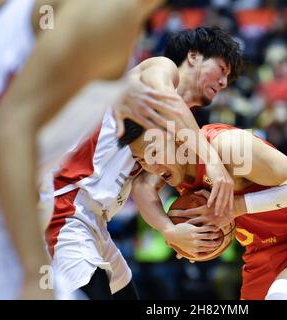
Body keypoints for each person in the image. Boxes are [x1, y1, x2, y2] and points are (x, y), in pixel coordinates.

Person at [0, 0, 206, 299]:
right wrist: (33, 273)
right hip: (3, 198)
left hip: (42, 203)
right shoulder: (110, 22)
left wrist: (116, 88)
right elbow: (7, 129)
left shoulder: (118, 33)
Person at [45, 27, 244, 299]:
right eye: (222, 69)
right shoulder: (159, 70)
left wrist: (170, 230)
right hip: (64, 205)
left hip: (95, 220)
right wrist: (213, 162)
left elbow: (144, 187)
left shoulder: (183, 128)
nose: (224, 82)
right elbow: (167, 99)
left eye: (228, 79)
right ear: (194, 56)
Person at [127, 122, 287, 300]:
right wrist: (170, 232)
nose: (151, 166)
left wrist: (236, 207)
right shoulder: (169, 164)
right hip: (260, 254)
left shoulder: (229, 147)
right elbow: (141, 186)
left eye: (153, 152)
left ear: (176, 136)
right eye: (140, 159)